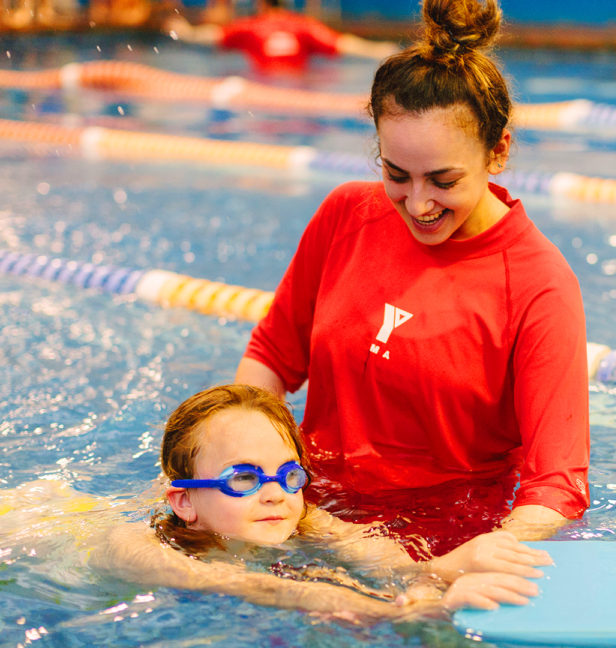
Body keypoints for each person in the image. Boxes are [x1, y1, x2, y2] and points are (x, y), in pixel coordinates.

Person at [235, 0, 590, 554]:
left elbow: (557, 485)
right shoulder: (347, 212)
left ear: (498, 152)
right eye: (396, 175)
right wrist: (240, 467)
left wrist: (478, 558)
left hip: (434, 553)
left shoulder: (538, 284)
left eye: (443, 181)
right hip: (310, 520)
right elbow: (273, 356)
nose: (418, 203)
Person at [96, 383, 551, 620]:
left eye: (288, 475)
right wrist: (422, 611)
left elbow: (386, 560)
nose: (275, 493)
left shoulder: (301, 518)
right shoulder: (137, 549)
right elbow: (269, 590)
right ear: (184, 502)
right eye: (244, 478)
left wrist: (440, 573)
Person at [164, 0, 400, 74]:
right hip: (299, 84)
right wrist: (379, 50)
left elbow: (208, 36)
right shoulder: (303, 25)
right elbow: (345, 44)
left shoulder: (250, 26)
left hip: (263, 86)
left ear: (261, 4)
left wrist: (184, 31)